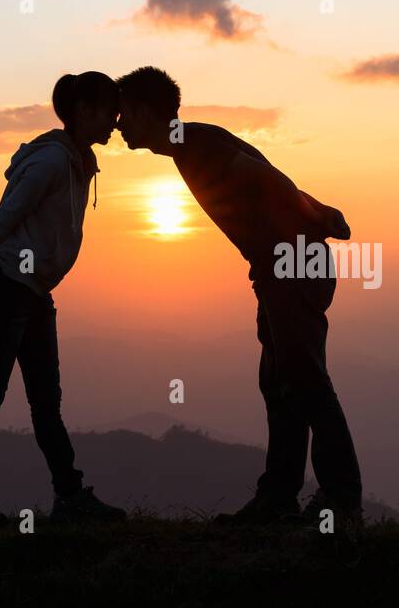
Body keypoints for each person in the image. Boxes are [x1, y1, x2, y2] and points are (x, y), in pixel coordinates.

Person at [114, 66, 363, 526]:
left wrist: (315, 212)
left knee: (305, 381)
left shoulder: (194, 146)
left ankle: (341, 499)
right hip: (280, 268)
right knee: (279, 381)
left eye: (123, 113)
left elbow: (263, 177)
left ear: (146, 112)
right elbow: (265, 175)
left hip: (293, 266)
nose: (117, 124)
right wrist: (319, 210)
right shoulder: (195, 141)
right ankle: (279, 497)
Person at [0, 72, 126, 526]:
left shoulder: (76, 160)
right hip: (6, 285)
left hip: (31, 292)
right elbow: (5, 215)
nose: (115, 120)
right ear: (83, 109)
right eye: (109, 110)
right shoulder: (51, 162)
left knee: (45, 401)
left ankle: (69, 495)